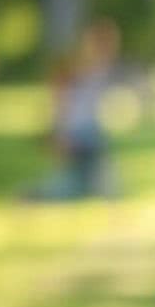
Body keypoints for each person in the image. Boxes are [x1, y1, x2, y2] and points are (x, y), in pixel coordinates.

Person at [25, 17, 127, 201]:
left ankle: (30, 198)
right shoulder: (75, 70)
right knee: (77, 185)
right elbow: (59, 103)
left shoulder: (101, 69)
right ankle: (28, 198)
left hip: (90, 131)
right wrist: (59, 135)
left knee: (84, 183)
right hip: (75, 133)